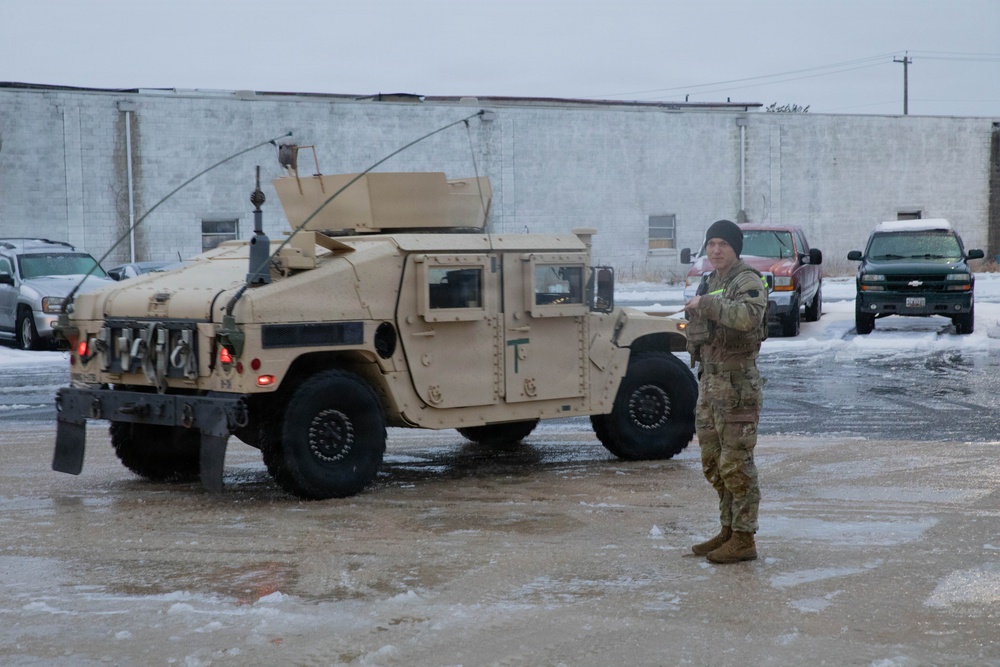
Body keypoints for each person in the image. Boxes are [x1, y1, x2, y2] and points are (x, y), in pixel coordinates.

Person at [683, 219, 768, 564]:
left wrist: (705, 305)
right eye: (711, 244)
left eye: (723, 244)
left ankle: (745, 537)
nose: (715, 250)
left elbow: (747, 317)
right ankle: (728, 529)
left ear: (735, 248)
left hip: (737, 387)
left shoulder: (747, 281)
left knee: (736, 463)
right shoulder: (711, 280)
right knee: (713, 464)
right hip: (711, 384)